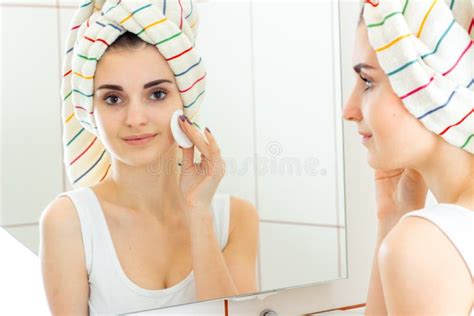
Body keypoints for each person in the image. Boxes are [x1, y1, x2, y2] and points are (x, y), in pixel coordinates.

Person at [39, 1, 259, 315]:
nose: (135, 118)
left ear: (186, 98)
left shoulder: (236, 218)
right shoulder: (69, 222)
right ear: (90, 111)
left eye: (156, 94)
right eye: (113, 98)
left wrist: (198, 212)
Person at [343, 0, 473, 314]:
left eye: (368, 82)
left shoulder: (424, 244)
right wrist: (392, 214)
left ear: (434, 92)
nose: (348, 110)